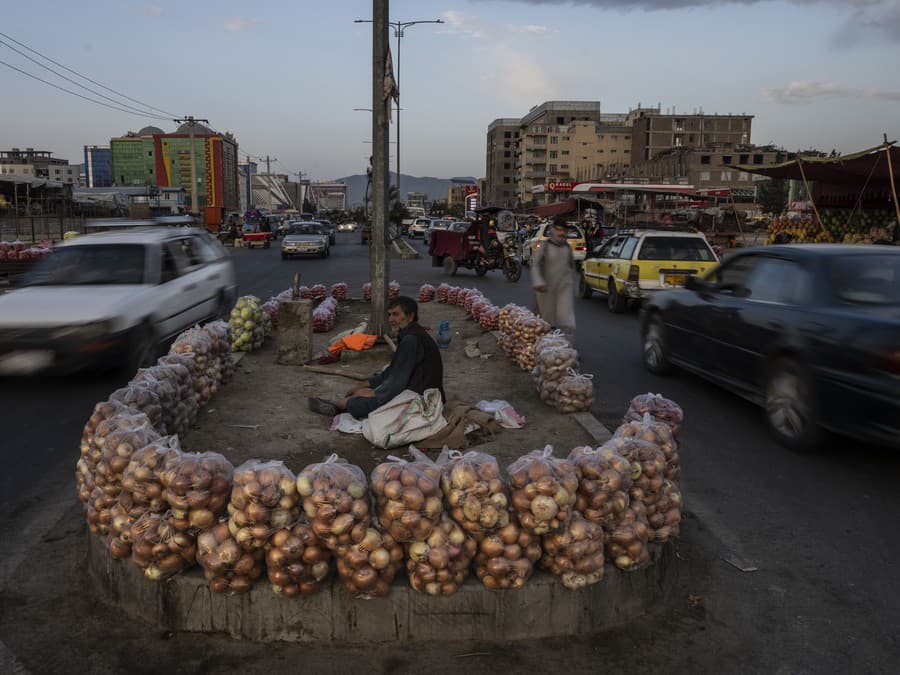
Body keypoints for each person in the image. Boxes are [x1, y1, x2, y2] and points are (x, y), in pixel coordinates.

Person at [308, 296, 445, 419]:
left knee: (363, 401)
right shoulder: (410, 334)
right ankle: (340, 405)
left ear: (410, 316)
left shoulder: (411, 340)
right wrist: (365, 384)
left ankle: (339, 406)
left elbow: (397, 380)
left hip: (421, 396)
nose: (391, 319)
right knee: (362, 393)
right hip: (415, 386)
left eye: (396, 315)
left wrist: (374, 393)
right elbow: (393, 370)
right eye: (390, 315)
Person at [532, 218, 576, 336]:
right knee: (547, 323)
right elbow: (535, 265)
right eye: (558, 230)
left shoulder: (567, 248)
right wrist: (539, 282)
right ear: (553, 230)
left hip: (564, 289)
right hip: (546, 290)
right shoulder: (545, 247)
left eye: (563, 230)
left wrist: (573, 287)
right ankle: (547, 349)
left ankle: (567, 349)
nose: (560, 233)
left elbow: (571, 268)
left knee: (566, 321)